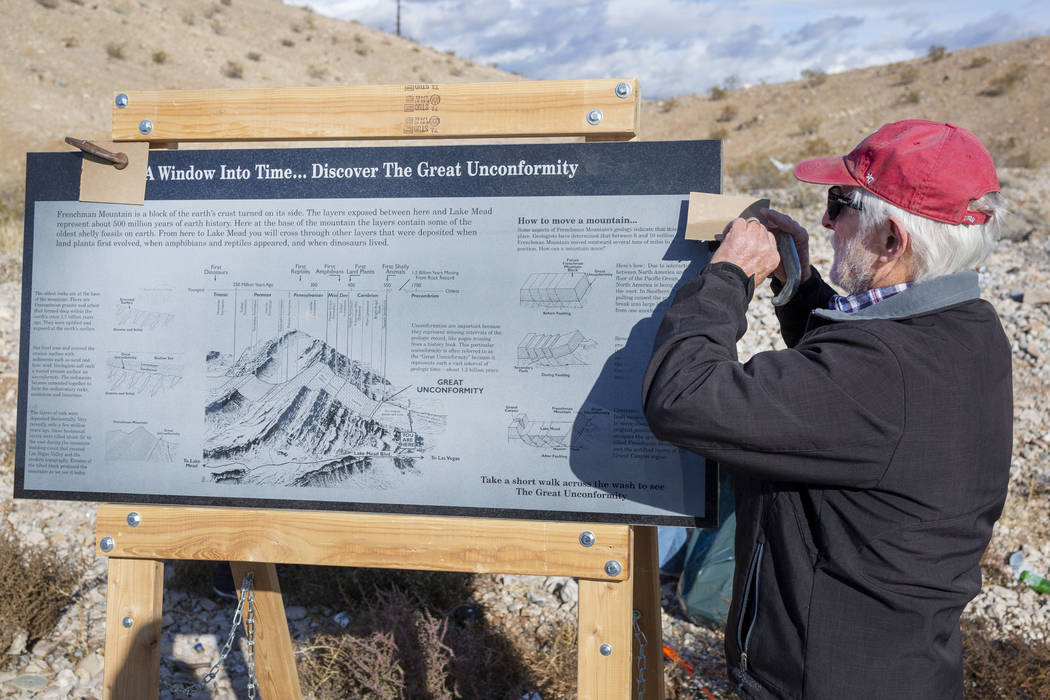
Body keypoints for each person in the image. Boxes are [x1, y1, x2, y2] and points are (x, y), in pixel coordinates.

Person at [642, 120, 1012, 699]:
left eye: (840, 205)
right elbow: (842, 400)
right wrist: (803, 286)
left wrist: (727, 277)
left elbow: (683, 396)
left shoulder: (880, 375)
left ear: (892, 240)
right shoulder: (965, 329)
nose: (825, 221)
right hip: (899, 666)